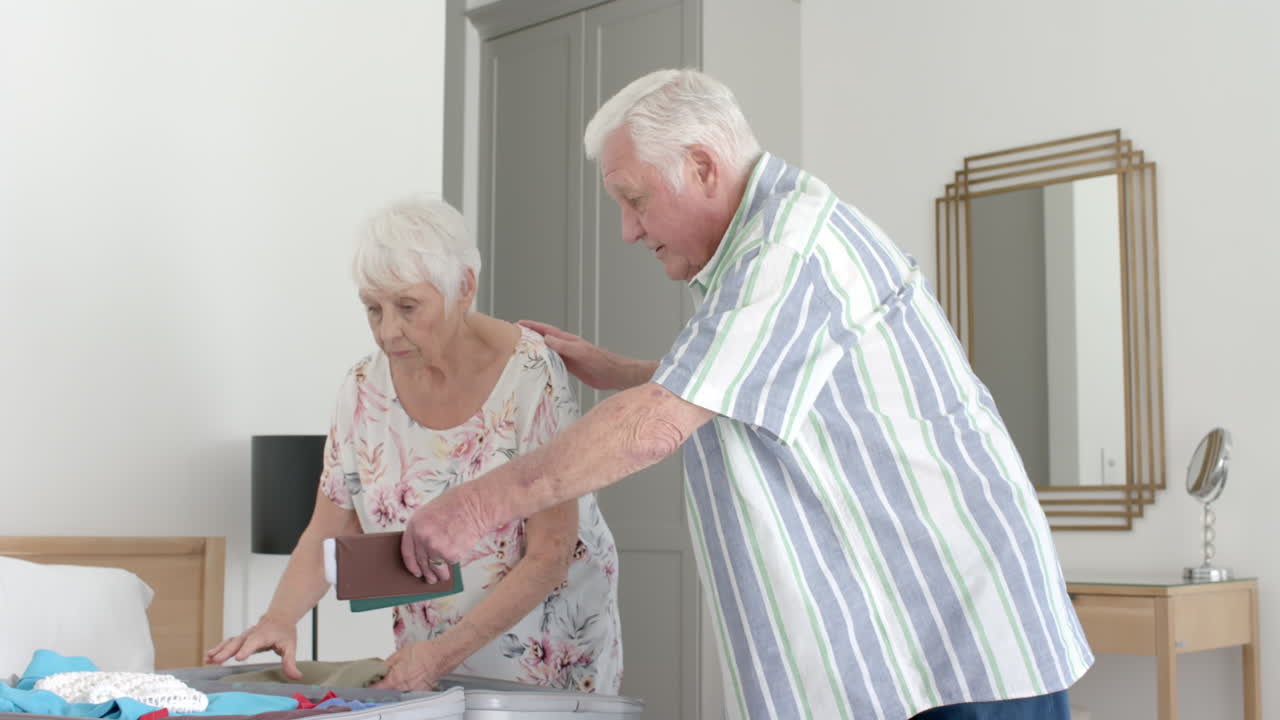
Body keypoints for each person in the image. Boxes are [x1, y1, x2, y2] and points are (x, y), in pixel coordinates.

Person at [395, 69, 1093, 719]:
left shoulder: (790, 251)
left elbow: (659, 426)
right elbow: (763, 384)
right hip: (907, 627)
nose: (628, 230)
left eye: (635, 201)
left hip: (958, 631)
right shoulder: (766, 251)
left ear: (701, 165)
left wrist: (476, 506)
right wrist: (627, 369)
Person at [206, 198, 622, 694]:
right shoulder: (362, 389)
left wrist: (441, 656)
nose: (387, 331)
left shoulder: (530, 373)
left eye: (407, 307)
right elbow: (330, 528)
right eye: (372, 309)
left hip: (546, 644)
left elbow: (550, 553)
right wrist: (277, 620)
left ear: (464, 288)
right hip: (428, 648)